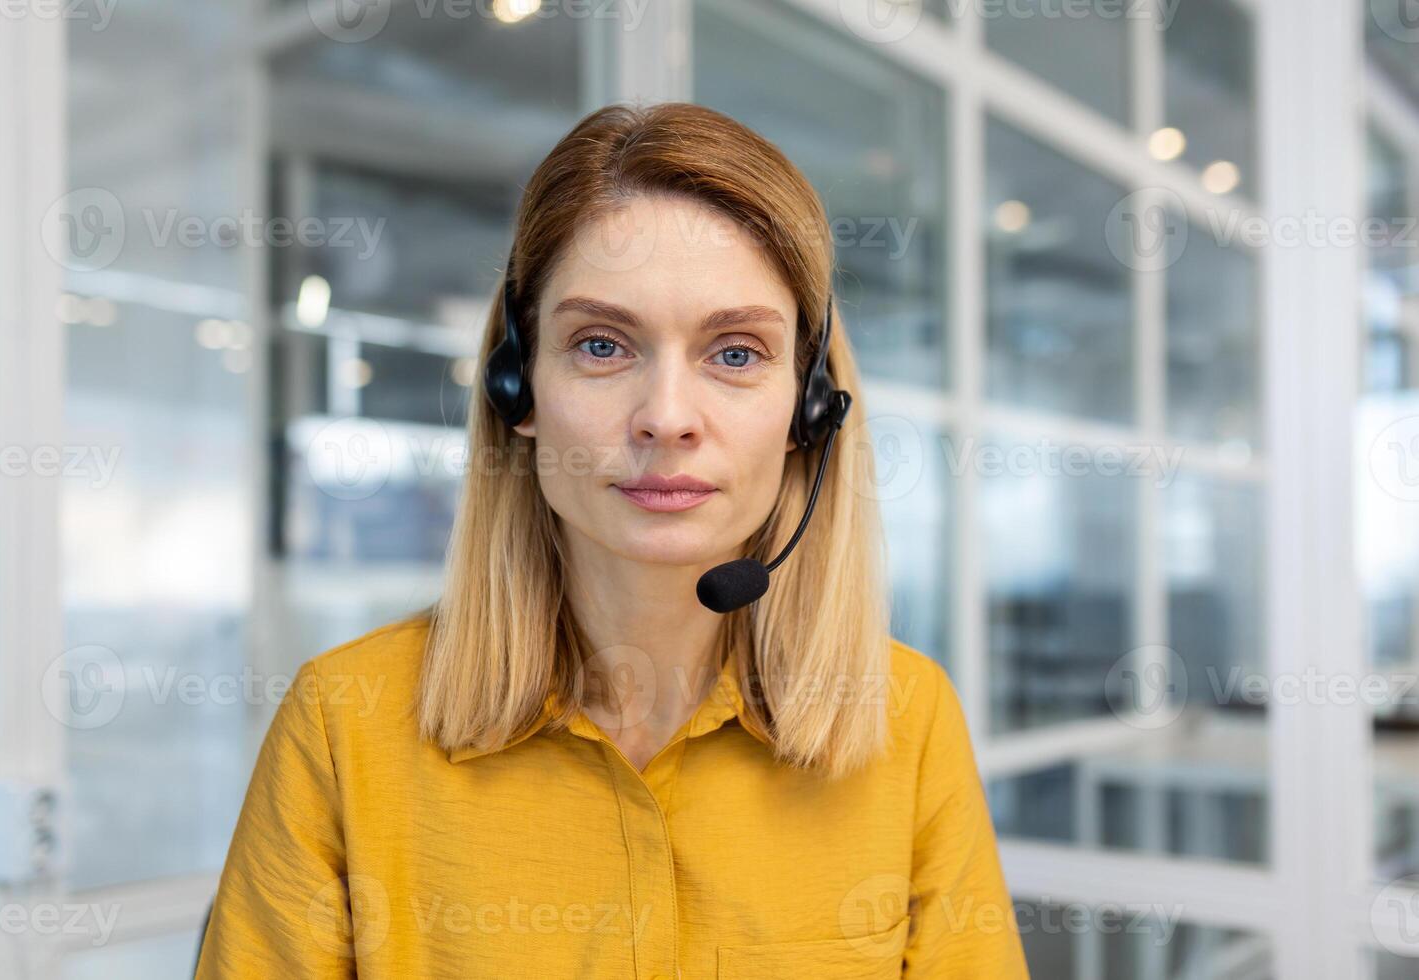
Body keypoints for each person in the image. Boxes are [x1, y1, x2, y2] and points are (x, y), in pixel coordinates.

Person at [194, 100, 1029, 979]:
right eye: (601, 345)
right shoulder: (345, 726)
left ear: (808, 411)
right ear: (517, 389)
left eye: (736, 353)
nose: (666, 418)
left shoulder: (907, 718)